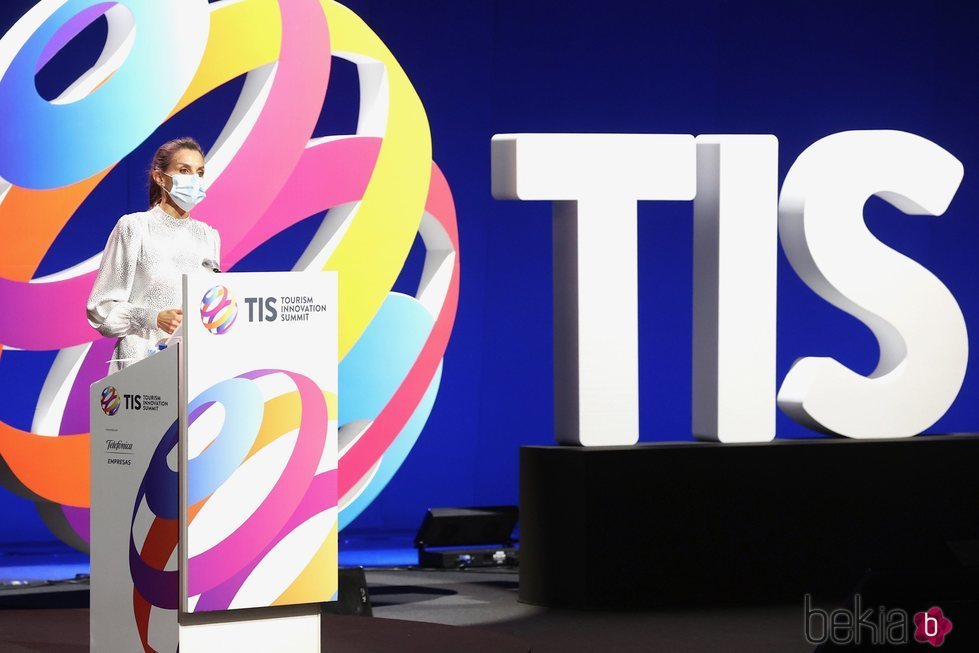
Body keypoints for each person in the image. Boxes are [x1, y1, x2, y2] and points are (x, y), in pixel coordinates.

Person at [86, 137, 220, 373]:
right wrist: (152, 317)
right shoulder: (134, 228)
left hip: (194, 367)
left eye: (199, 173)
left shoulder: (208, 236)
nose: (194, 180)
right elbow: (101, 307)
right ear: (160, 178)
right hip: (141, 368)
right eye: (183, 170)